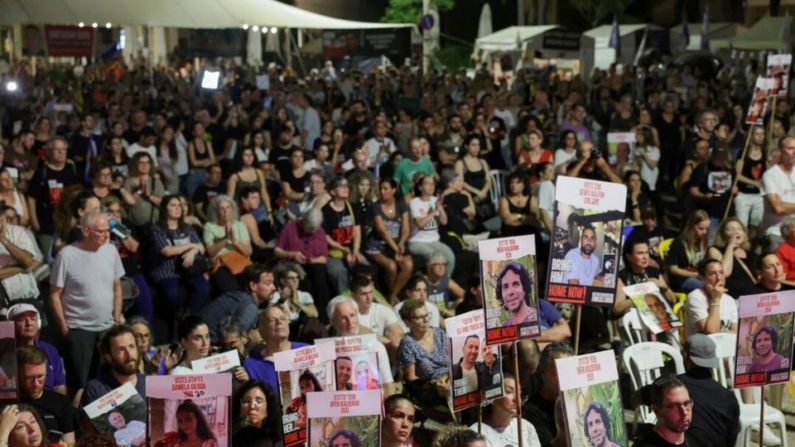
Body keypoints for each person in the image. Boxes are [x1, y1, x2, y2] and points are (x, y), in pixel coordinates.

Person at [50, 210, 124, 405]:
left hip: (107, 327)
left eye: (107, 230)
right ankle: (75, 426)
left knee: (107, 380)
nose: (106, 235)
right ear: (86, 231)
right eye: (100, 231)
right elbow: (55, 294)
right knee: (78, 384)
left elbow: (117, 287)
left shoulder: (111, 251)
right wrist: (65, 329)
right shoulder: (67, 255)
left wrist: (116, 320)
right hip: (78, 329)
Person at [150, 195, 210, 315]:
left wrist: (193, 251)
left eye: (179, 206)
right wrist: (190, 246)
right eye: (173, 205)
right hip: (166, 270)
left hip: (188, 268)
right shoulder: (157, 229)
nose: (178, 208)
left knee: (203, 288)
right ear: (164, 209)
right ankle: (178, 315)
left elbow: (201, 247)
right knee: (171, 294)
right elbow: (167, 251)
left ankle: (189, 316)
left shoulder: (187, 228)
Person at [326, 296, 396, 396]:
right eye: (343, 318)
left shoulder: (376, 347)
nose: (350, 322)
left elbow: (388, 386)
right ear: (333, 321)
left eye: (352, 315)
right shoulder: (326, 351)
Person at [198, 264, 276, 344]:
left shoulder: (238, 295)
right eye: (268, 283)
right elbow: (234, 342)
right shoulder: (250, 308)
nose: (274, 288)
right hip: (208, 347)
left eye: (273, 283)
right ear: (253, 286)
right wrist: (251, 338)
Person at [15, 346, 76, 445]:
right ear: (17, 375)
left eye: (40, 377)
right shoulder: (7, 405)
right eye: (29, 378)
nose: (36, 384)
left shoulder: (60, 402)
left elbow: (70, 442)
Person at [368, 178, 413, 304]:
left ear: (393, 190)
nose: (382, 192)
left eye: (386, 189)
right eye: (381, 189)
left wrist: (402, 243)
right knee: (391, 266)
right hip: (379, 244)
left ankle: (393, 295)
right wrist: (396, 250)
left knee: (408, 266)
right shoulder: (376, 207)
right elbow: (382, 231)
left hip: (397, 242)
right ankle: (392, 297)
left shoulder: (401, 205)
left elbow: (405, 228)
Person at [244, 305, 308, 393]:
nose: (279, 322)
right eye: (272, 320)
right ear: (262, 330)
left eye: (283, 318)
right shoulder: (252, 364)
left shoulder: (306, 350)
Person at [397, 298, 449, 406]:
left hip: (452, 378)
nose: (426, 320)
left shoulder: (441, 334)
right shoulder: (408, 343)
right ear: (408, 322)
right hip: (429, 386)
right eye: (420, 318)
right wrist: (433, 384)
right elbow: (411, 378)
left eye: (426, 315)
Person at [522, 342, 573, 447]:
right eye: (557, 372)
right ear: (543, 371)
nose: (564, 378)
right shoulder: (531, 411)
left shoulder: (579, 401)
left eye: (568, 372)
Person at [7, 304, 66, 394]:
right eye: (22, 320)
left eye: (33, 319)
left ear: (39, 323)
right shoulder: (5, 353)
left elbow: (59, 386)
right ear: (10, 325)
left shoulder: (50, 350)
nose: (29, 323)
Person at [82, 325, 146, 406]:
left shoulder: (151, 384)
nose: (129, 354)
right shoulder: (95, 389)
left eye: (131, 346)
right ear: (108, 357)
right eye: (121, 349)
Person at [323, 176, 366, 294]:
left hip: (352, 249)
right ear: (332, 191)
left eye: (346, 186)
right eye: (341, 186)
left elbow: (357, 231)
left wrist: (356, 251)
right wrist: (344, 249)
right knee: (338, 272)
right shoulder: (325, 211)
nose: (346, 188)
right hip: (333, 252)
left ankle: (363, 295)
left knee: (364, 266)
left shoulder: (353, 207)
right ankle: (345, 300)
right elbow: (326, 238)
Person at [471, 375, 540, 447]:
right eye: (509, 391)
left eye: (519, 393)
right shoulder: (476, 431)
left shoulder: (525, 427)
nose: (517, 398)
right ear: (492, 397)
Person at [203, 194, 253, 294]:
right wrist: (226, 239)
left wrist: (235, 241)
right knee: (232, 291)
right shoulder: (209, 226)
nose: (225, 211)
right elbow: (211, 252)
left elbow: (248, 252)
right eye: (221, 209)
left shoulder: (240, 225)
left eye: (228, 208)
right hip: (221, 265)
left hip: (241, 262)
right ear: (216, 211)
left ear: (232, 209)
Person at [408, 173, 455, 277]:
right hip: (417, 242)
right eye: (427, 183)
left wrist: (440, 208)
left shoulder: (435, 200)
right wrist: (434, 211)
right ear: (420, 187)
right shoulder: (414, 202)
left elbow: (444, 222)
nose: (431, 186)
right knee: (435, 258)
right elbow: (420, 224)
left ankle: (444, 284)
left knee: (450, 257)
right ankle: (431, 285)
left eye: (432, 184)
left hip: (434, 240)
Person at [614, 237, 675, 316]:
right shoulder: (622, 276)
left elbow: (673, 300)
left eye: (646, 252)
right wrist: (640, 296)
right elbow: (617, 309)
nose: (645, 257)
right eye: (640, 253)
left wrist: (664, 286)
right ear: (629, 257)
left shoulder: (653, 271)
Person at [634, 376, 695, 447]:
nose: (684, 412)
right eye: (674, 406)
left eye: (686, 404)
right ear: (656, 410)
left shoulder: (695, 440)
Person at [683, 259, 738, 338]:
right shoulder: (695, 297)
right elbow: (712, 332)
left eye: (721, 272)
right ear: (703, 278)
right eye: (712, 274)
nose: (719, 278)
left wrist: (722, 334)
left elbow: (736, 332)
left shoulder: (730, 300)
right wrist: (715, 299)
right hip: (703, 348)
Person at [761, 136, 795, 251]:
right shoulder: (770, 175)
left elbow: (783, 205)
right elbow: (778, 207)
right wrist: (782, 205)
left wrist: (786, 205)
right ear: (780, 151)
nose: (794, 152)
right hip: (776, 232)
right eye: (790, 148)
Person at [667, 210, 710, 293]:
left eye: (707, 229)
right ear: (692, 226)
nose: (704, 232)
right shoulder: (679, 242)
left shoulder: (702, 241)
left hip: (698, 276)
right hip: (682, 279)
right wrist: (695, 275)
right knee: (707, 288)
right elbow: (673, 269)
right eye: (701, 229)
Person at [231, 380, 282, 446]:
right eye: (247, 401)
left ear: (267, 410)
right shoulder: (230, 439)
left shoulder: (276, 442)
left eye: (258, 401)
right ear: (240, 407)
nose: (252, 406)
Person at [495, 262, 536, 326]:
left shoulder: (537, 318)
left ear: (524, 289)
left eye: (515, 284)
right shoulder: (504, 326)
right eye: (505, 287)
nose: (510, 292)